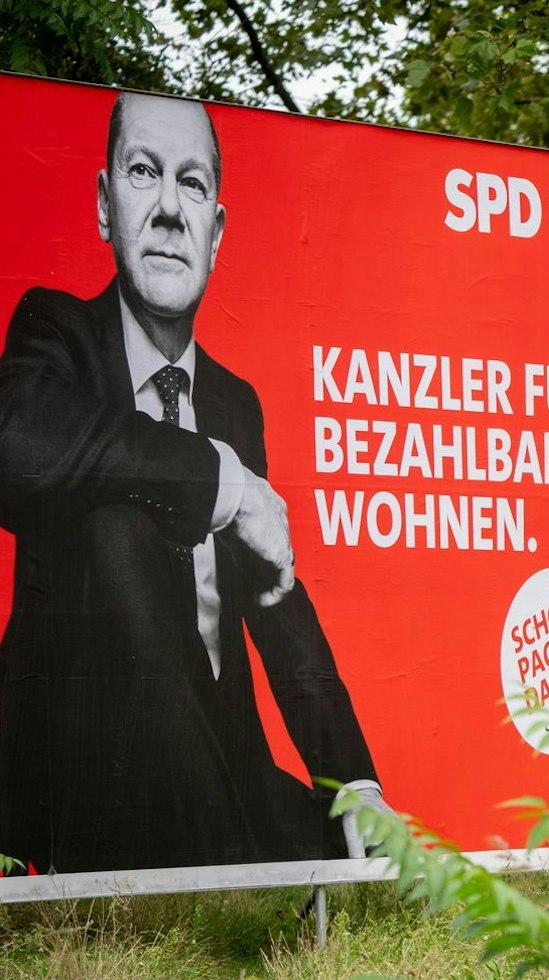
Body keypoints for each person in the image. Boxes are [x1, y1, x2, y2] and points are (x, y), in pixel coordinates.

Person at [0, 92, 384, 874]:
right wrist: (223, 481)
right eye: (144, 173)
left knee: (369, 851)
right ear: (108, 206)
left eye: (194, 185)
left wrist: (356, 779)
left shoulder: (234, 403)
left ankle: (237, 855)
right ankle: (234, 871)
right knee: (117, 522)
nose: (172, 209)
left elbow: (277, 603)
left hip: (218, 766)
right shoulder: (53, 332)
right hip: (86, 783)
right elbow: (16, 443)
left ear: (217, 230)